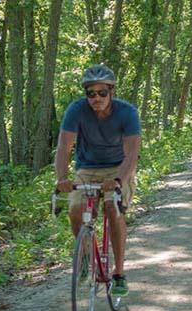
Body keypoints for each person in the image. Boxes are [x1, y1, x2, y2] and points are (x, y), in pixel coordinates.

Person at [54, 64, 141, 297]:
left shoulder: (127, 112)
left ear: (111, 92)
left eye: (102, 92)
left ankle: (119, 273)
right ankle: (84, 255)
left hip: (118, 167)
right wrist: (61, 178)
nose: (96, 98)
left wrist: (118, 179)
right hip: (87, 168)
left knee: (114, 208)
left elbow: (132, 153)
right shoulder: (76, 110)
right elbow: (64, 147)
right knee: (75, 209)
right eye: (91, 93)